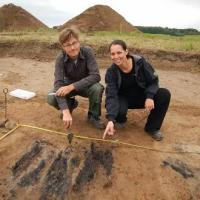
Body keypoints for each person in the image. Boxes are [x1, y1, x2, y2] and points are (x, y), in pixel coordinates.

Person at [103, 40, 171, 141]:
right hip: (123, 99)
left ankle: (152, 128)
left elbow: (153, 81)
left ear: (126, 51)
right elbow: (111, 95)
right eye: (112, 54)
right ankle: (120, 119)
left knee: (164, 94)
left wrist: (149, 97)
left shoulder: (140, 63)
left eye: (119, 52)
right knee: (118, 112)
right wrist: (111, 119)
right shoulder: (111, 72)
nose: (116, 56)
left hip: (141, 97)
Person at [47, 28, 105, 129]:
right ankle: (70, 105)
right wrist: (65, 110)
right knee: (51, 97)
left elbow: (95, 76)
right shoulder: (60, 58)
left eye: (74, 43)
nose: (73, 48)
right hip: (67, 86)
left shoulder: (87, 51)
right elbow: (58, 84)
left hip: (86, 86)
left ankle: (93, 116)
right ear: (63, 47)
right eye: (68, 45)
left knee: (97, 88)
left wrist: (72, 87)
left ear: (79, 42)